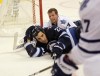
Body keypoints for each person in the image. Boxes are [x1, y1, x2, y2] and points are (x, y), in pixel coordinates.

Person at [51, 0, 100, 76]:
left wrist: (67, 61)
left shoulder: (90, 6)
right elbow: (90, 45)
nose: (51, 17)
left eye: (53, 15)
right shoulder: (89, 5)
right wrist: (68, 60)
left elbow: (88, 48)